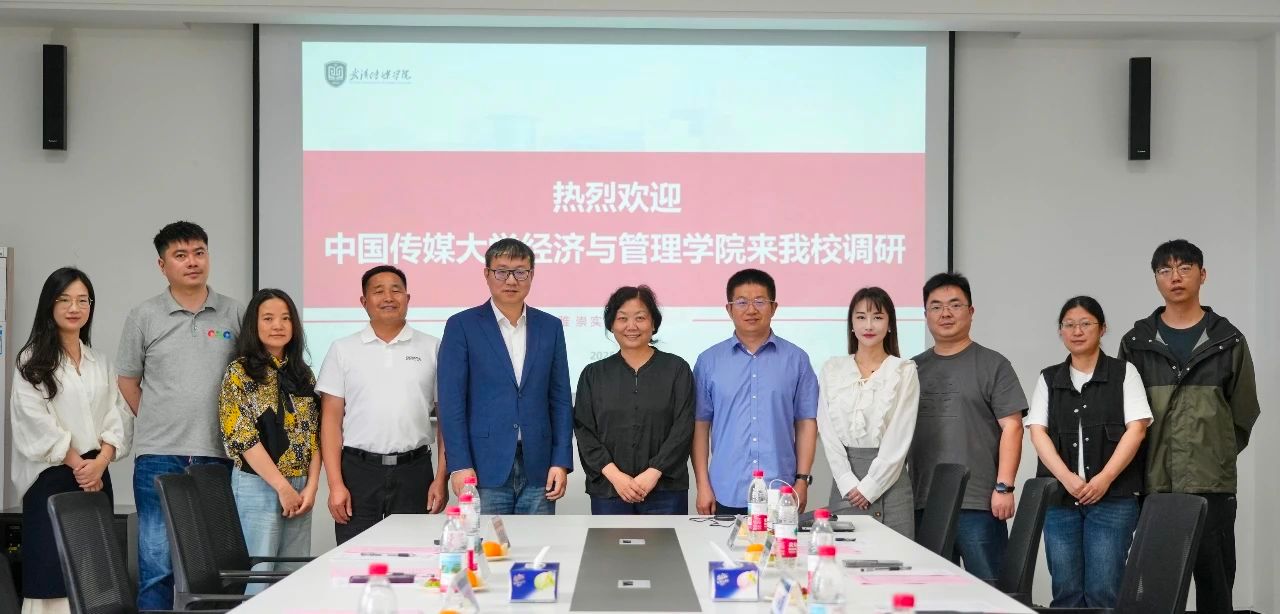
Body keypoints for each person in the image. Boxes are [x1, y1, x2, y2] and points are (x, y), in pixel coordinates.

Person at [1117, 240, 1259, 614]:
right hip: (1155, 484)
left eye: (1184, 268)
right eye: (1165, 270)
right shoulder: (1136, 343)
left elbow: (1243, 413)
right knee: (1156, 591)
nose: (1175, 277)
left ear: (1202, 274)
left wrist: (1215, 454)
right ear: (1156, 279)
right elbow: (1126, 415)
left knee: (1216, 587)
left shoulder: (1228, 340)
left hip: (1213, 483)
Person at [116, 221, 242, 609]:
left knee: (215, 565)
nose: (192, 262)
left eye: (199, 253)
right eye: (181, 255)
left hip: (217, 455)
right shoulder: (144, 315)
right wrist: (159, 419)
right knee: (157, 565)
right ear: (162, 265)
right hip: (159, 455)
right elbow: (127, 380)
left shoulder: (234, 312)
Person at [11, 268, 131, 614]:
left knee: (96, 579)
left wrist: (100, 463)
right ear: (49, 305)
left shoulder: (100, 362)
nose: (74, 307)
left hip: (96, 478)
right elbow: (34, 423)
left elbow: (120, 413)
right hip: (53, 479)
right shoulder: (31, 361)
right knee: (53, 578)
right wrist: (80, 466)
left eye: (82, 300)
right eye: (64, 299)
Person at [1029, 296, 1152, 608]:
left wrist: (1104, 479)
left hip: (1113, 498)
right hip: (1060, 499)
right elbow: (1037, 432)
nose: (1077, 331)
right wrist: (1067, 479)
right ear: (1060, 331)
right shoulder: (1048, 378)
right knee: (1066, 592)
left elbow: (1137, 428)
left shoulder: (1124, 373)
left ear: (1102, 329)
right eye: (1069, 324)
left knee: (1104, 592)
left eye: (1085, 323)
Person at [439, 238, 574, 515]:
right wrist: (459, 464)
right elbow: (451, 403)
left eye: (520, 272)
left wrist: (561, 461)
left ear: (531, 275)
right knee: (489, 542)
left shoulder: (550, 327)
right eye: (501, 271)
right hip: (483, 468)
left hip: (539, 466)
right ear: (486, 274)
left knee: (538, 543)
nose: (511, 280)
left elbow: (560, 399)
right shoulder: (461, 326)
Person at [316, 265, 447, 544]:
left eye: (396, 290)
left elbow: (446, 420)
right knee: (357, 558)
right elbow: (330, 421)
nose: (388, 297)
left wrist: (441, 478)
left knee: (413, 557)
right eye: (378, 291)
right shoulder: (343, 349)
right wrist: (335, 485)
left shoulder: (432, 348)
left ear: (408, 299)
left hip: (415, 471)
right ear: (364, 302)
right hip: (358, 472)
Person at [909, 272, 1026, 584]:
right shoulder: (910, 369)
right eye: (936, 306)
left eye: (955, 305)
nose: (945, 313)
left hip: (979, 502)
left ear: (971, 311)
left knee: (990, 591)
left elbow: (1013, 427)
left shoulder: (993, 364)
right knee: (932, 592)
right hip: (924, 502)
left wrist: (1004, 487)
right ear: (925, 315)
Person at [692, 268, 819, 515]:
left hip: (780, 489)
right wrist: (702, 484)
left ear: (774, 307)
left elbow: (806, 422)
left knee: (781, 543)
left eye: (760, 301)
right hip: (725, 489)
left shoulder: (797, 360)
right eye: (741, 302)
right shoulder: (709, 362)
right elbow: (700, 425)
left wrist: (802, 480)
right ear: (729, 309)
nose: (751, 310)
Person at [219, 289, 321, 593]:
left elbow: (316, 435)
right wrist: (282, 488)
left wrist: (312, 487)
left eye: (285, 318)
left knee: (292, 579)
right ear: (254, 324)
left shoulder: (303, 374)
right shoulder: (239, 373)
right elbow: (242, 437)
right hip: (258, 485)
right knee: (259, 579)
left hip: (300, 487)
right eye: (268, 318)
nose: (278, 325)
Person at [574, 285, 695, 514]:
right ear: (611, 324)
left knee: (667, 541)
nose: (631, 326)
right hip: (610, 490)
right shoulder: (593, 374)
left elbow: (683, 427)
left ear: (653, 323)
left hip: (665, 491)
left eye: (640, 318)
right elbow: (584, 430)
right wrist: (615, 476)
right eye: (622, 318)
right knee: (609, 541)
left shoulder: (677, 369)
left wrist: (654, 472)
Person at [816, 286, 918, 538]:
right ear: (851, 324)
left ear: (890, 324)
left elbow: (900, 435)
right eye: (861, 317)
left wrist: (871, 487)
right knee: (844, 556)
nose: (869, 325)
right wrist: (847, 481)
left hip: (891, 485)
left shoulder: (903, 370)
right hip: (846, 486)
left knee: (896, 557)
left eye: (878, 317)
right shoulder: (832, 369)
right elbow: (827, 431)